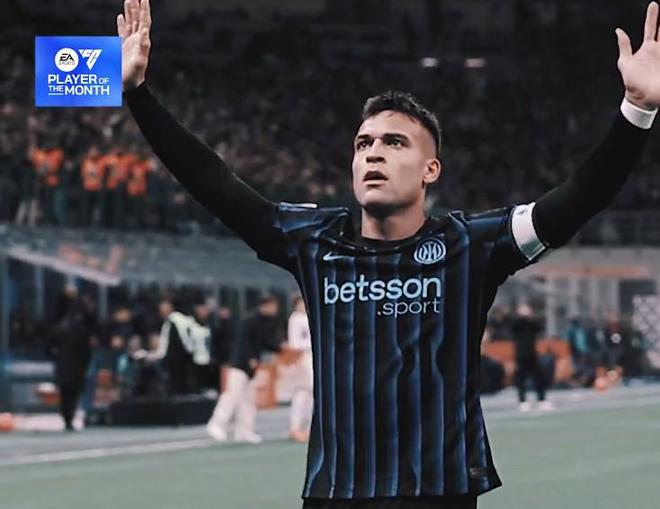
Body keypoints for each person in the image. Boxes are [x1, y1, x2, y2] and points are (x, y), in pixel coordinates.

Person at [118, 0, 660, 506]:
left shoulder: (470, 244)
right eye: (364, 144)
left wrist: (636, 110)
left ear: (431, 170)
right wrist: (138, 94)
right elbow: (215, 184)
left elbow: (578, 198)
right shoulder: (315, 241)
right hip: (336, 492)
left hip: (440, 492)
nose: (373, 153)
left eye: (394, 142)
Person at [206, 296, 284, 443]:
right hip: (239, 365)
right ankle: (216, 424)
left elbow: (267, 342)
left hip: (251, 369)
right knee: (232, 395)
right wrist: (250, 358)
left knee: (248, 400)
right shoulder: (249, 321)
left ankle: (244, 431)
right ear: (264, 306)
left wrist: (281, 348)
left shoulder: (267, 323)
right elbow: (242, 342)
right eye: (272, 306)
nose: (275, 310)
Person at [47, 285, 94, 431]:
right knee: (68, 389)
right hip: (68, 359)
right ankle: (68, 416)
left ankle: (70, 416)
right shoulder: (61, 315)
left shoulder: (81, 315)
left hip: (76, 359)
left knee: (73, 389)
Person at [511, 304, 551, 412]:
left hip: (532, 354)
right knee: (521, 379)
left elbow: (540, 327)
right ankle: (523, 401)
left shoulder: (531, 324)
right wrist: (521, 316)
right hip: (520, 354)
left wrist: (530, 317)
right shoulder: (518, 324)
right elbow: (513, 326)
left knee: (539, 377)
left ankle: (542, 399)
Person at [287, 295, 314, 443]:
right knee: (303, 391)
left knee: (311, 393)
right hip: (303, 356)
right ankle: (295, 426)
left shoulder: (310, 316)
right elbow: (294, 343)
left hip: (313, 355)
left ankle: (308, 427)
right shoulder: (296, 319)